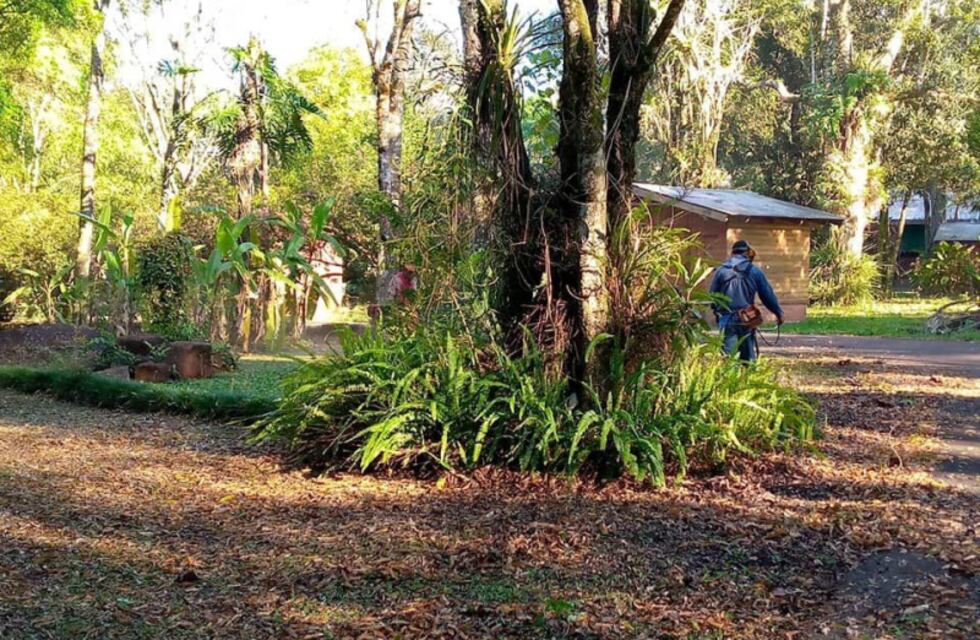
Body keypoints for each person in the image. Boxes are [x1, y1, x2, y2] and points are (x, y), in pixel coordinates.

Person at [709, 240, 784, 361]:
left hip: (726, 319)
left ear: (732, 253)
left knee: (728, 359)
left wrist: (716, 312)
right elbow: (767, 295)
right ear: (747, 254)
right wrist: (779, 313)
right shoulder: (755, 271)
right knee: (748, 358)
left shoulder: (720, 271)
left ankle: (729, 378)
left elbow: (712, 296)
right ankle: (748, 378)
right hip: (747, 318)